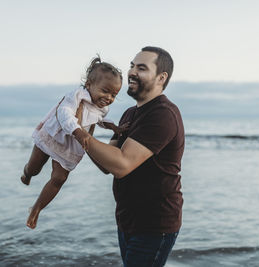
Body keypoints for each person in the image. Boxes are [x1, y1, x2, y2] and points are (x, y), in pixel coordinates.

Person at [74, 46, 185, 267]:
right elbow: (107, 163)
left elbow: (121, 165)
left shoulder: (162, 114)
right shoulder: (130, 113)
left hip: (155, 224)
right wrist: (84, 127)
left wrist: (78, 133)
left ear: (161, 77)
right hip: (128, 219)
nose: (132, 72)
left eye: (141, 68)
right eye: (132, 66)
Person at [21, 56, 126, 229]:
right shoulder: (77, 95)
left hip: (70, 146)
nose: (109, 97)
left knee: (59, 178)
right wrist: (78, 131)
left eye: (114, 95)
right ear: (89, 84)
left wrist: (112, 126)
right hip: (54, 135)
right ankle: (27, 174)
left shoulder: (102, 107)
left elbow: (97, 119)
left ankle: (36, 208)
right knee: (34, 168)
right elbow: (64, 113)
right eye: (105, 91)